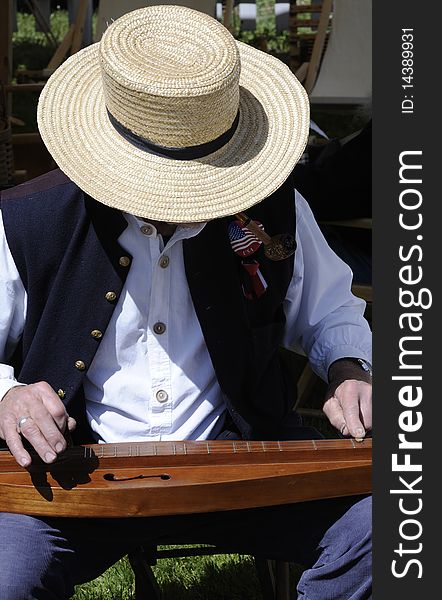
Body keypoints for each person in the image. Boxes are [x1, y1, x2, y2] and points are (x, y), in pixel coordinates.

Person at [0, 6, 372, 599]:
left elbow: (330, 309)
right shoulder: (29, 220)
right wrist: (8, 393)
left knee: (391, 528)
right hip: (69, 480)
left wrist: (349, 370)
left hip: (242, 469)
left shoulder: (276, 211)